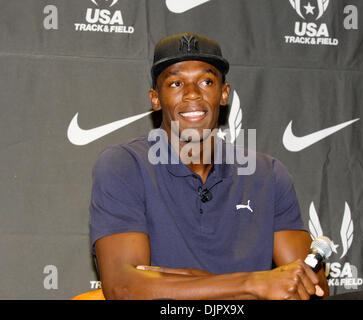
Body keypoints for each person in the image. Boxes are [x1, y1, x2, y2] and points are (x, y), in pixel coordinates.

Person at [89, 32, 329, 300]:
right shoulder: (123, 165)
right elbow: (124, 288)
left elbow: (312, 288)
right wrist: (253, 283)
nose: (192, 94)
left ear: (223, 94)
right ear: (155, 99)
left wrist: (192, 283)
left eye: (206, 81)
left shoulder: (269, 174)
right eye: (176, 83)